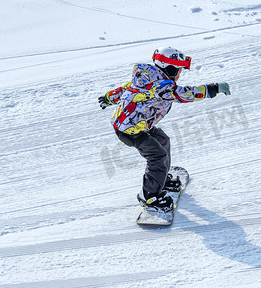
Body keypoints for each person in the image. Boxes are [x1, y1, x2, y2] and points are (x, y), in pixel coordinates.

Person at [98, 47, 230, 212]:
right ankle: (149, 195)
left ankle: (160, 179)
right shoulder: (162, 86)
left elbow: (126, 89)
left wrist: (109, 97)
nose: (180, 74)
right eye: (179, 70)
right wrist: (213, 89)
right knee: (157, 156)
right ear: (170, 68)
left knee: (162, 140)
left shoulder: (146, 78)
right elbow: (184, 94)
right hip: (130, 130)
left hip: (140, 124)